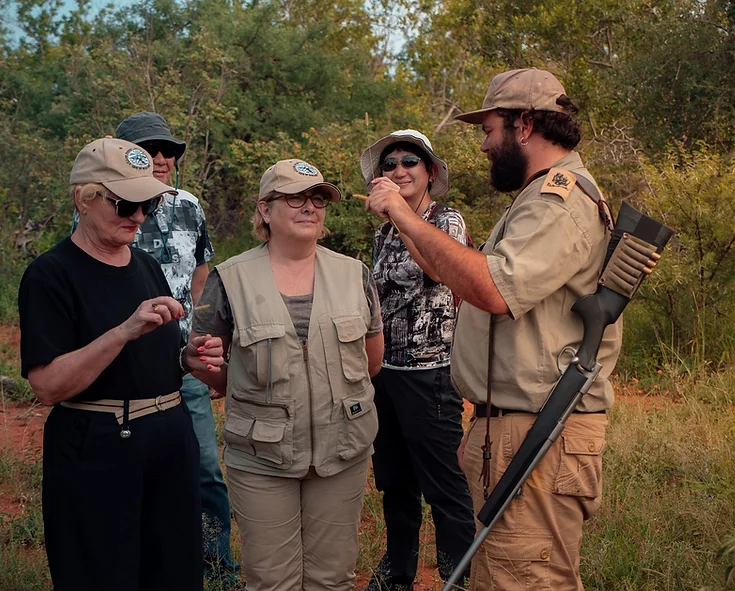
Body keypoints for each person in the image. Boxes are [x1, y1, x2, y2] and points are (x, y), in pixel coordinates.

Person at [365, 68, 623, 591]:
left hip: (538, 429)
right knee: (502, 573)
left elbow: (493, 289)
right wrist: (486, 427)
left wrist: (401, 213)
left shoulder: (558, 200)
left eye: (489, 130)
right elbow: (450, 272)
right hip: (515, 425)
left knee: (524, 578)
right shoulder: (535, 197)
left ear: (523, 125)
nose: (484, 145)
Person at [19, 137, 227, 590]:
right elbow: (48, 386)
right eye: (125, 204)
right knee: (102, 573)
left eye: (147, 204)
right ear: (84, 199)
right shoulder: (50, 275)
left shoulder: (147, 265)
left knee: (175, 573)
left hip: (170, 439)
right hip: (97, 448)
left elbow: (153, 358)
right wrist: (123, 331)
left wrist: (186, 358)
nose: (138, 217)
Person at [191, 159, 385, 591]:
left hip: (342, 452)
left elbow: (371, 363)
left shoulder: (355, 274)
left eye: (318, 198)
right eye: (294, 198)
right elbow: (206, 362)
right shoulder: (230, 279)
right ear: (265, 209)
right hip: (262, 457)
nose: (309, 206)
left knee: (331, 578)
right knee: (271, 579)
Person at [111, 111, 239, 581]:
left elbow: (201, 275)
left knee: (204, 466)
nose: (162, 158)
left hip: (185, 362)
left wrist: (197, 336)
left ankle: (216, 565)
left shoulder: (190, 205)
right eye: (149, 150)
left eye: (168, 151)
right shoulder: (106, 208)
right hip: (127, 363)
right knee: (132, 470)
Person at [359, 130, 474, 590]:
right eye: (389, 164)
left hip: (432, 374)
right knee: (395, 483)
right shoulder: (384, 231)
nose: (399, 170)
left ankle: (457, 577)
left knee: (445, 486)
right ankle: (398, 574)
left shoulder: (446, 220)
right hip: (385, 373)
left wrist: (401, 215)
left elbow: (438, 268)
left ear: (430, 172)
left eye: (410, 161)